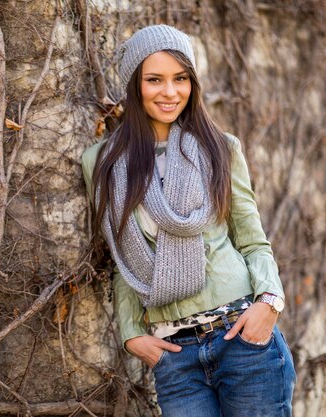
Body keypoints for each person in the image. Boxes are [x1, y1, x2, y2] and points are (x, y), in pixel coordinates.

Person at [81, 25, 296, 417]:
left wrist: (269, 302)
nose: (169, 92)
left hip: (243, 340)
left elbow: (251, 240)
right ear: (134, 84)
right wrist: (131, 335)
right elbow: (123, 258)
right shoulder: (103, 162)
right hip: (176, 359)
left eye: (180, 78)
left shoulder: (220, 148)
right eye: (154, 80)